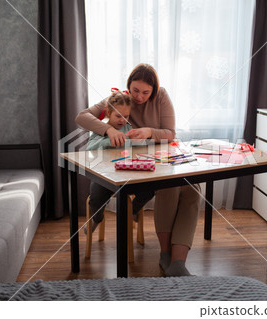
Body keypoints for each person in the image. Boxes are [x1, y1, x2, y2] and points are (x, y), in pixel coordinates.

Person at [76, 63, 201, 276]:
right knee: (169, 188)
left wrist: (150, 132)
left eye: (145, 92)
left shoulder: (161, 96)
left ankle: (178, 262)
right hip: (127, 163)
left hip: (160, 158)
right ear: (128, 86)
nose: (139, 97)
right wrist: (107, 129)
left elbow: (170, 133)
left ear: (153, 90)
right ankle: (165, 254)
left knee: (193, 188)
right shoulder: (119, 99)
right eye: (135, 90)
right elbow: (81, 117)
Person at [84, 89, 154, 233]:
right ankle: (97, 218)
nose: (122, 120)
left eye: (126, 116)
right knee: (96, 197)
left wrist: (138, 140)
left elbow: (140, 147)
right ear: (109, 113)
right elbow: (89, 148)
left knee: (150, 188)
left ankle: (132, 211)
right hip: (104, 175)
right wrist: (108, 141)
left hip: (127, 173)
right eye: (118, 116)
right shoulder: (100, 129)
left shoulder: (128, 128)